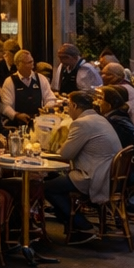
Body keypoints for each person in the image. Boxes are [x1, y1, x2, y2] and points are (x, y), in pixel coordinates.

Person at [43, 91, 121, 246]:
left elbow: (66, 153)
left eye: (68, 106)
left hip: (93, 176)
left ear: (74, 105)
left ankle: (82, 226)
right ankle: (71, 228)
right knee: (53, 179)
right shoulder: (99, 119)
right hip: (109, 174)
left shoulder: (82, 123)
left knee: (47, 188)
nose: (68, 110)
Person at [97, 86, 134, 184]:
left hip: (123, 171)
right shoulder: (119, 116)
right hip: (131, 167)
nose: (98, 103)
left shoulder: (115, 121)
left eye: (101, 100)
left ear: (110, 105)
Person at [0, 50, 55, 126]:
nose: (32, 65)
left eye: (32, 62)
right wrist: (16, 115)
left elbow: (50, 98)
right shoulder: (10, 81)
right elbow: (4, 106)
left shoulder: (41, 79)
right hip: (17, 124)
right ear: (18, 65)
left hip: (39, 122)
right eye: (28, 63)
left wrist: (46, 108)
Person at [100, 62, 134, 128]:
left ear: (117, 76)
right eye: (102, 73)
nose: (103, 77)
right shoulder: (126, 86)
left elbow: (114, 112)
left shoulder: (121, 90)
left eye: (107, 74)